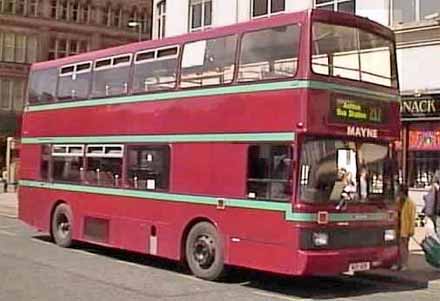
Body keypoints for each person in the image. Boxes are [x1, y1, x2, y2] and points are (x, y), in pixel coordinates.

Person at [397, 184, 417, 271]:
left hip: (406, 228)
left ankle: (404, 264)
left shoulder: (410, 203)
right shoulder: (398, 201)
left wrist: (411, 230)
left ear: (402, 192)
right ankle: (398, 263)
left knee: (404, 247)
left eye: (399, 191)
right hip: (398, 227)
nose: (398, 193)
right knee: (398, 246)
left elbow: (412, 218)